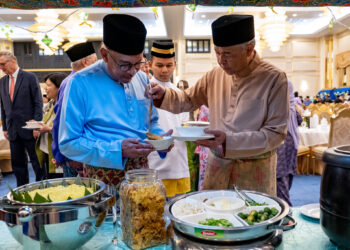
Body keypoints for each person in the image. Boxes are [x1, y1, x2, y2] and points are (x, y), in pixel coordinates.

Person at [147, 14, 288, 195]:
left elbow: (276, 134)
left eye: (228, 54)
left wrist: (230, 141)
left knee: (251, 219)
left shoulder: (274, 79)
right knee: (213, 217)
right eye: (217, 52)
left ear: (249, 49)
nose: (221, 60)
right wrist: (164, 95)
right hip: (217, 168)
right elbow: (188, 100)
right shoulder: (215, 75)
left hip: (253, 172)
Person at [59, 14, 172, 187]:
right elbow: (68, 143)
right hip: (101, 178)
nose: (132, 72)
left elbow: (152, 123)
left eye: (137, 63)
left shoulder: (142, 78)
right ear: (104, 55)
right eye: (124, 65)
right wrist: (117, 150)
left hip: (141, 175)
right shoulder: (80, 83)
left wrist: (160, 139)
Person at [147, 41, 190, 198]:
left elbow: (184, 126)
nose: (165, 70)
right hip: (153, 162)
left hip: (178, 162)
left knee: (179, 212)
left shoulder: (180, 93)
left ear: (175, 65)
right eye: (159, 65)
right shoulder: (145, 91)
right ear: (150, 64)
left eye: (169, 65)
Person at [51, 42, 97, 178]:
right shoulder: (73, 82)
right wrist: (63, 154)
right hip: (75, 156)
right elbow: (61, 121)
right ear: (85, 62)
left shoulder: (80, 80)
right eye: (95, 61)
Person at [0, 51, 43, 187]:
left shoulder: (29, 77)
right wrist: (5, 128)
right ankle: (22, 193)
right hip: (12, 130)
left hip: (30, 129)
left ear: (12, 61)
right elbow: (3, 106)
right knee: (18, 166)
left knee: (37, 164)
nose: (1, 67)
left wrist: (36, 125)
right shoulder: (2, 81)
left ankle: (41, 190)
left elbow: (38, 102)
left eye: (2, 64)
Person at [36, 73, 67, 179]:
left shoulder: (66, 105)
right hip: (46, 149)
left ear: (59, 87)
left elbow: (67, 130)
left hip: (59, 151)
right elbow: (47, 121)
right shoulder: (50, 104)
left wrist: (48, 129)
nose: (45, 88)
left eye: (48, 85)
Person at [276, 81, 299, 206]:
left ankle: (286, 216)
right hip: (291, 149)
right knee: (286, 183)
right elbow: (299, 120)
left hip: (281, 152)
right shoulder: (292, 108)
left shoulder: (279, 112)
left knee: (281, 187)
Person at [194, 105, 210, 191]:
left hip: (207, 149)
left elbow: (199, 129)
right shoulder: (205, 107)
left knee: (205, 180)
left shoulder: (204, 108)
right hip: (207, 149)